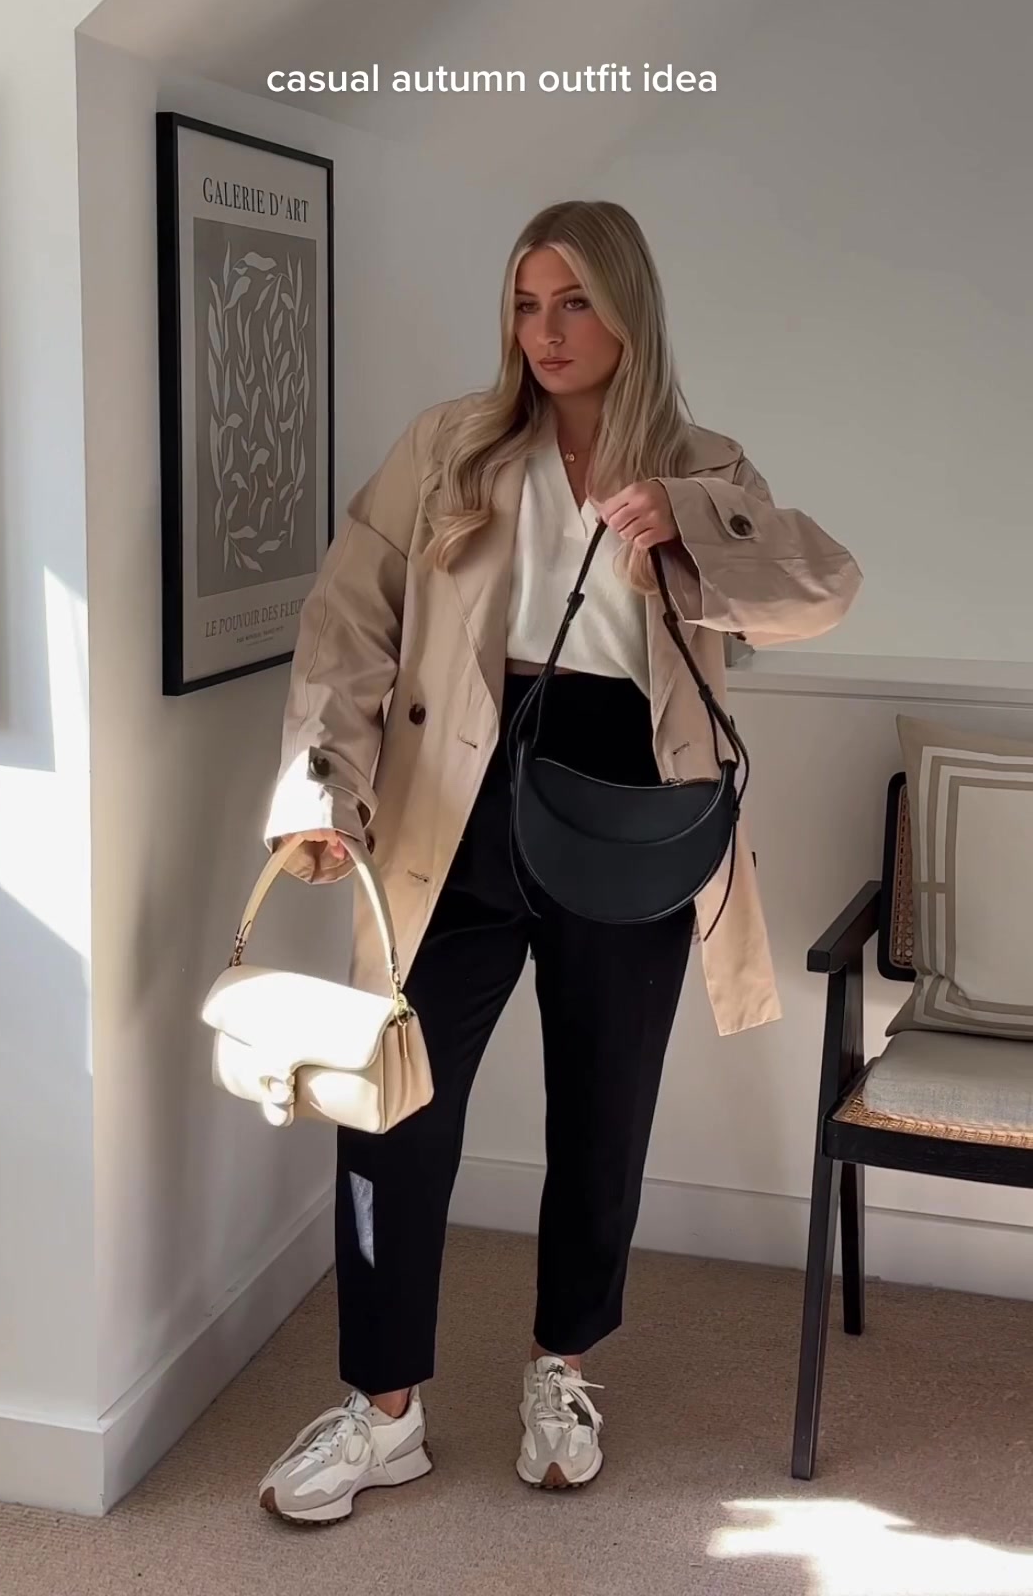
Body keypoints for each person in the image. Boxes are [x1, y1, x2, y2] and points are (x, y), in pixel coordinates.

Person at [257, 200, 861, 1524]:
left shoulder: (704, 465)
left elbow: (821, 592)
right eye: (528, 304)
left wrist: (688, 519)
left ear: (629, 309)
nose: (547, 330)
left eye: (575, 301)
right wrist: (322, 784)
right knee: (388, 1101)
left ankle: (563, 1368)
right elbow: (349, 618)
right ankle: (383, 1410)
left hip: (630, 801)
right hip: (453, 795)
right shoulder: (452, 446)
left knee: (606, 1105)